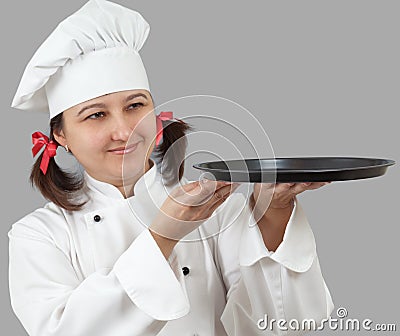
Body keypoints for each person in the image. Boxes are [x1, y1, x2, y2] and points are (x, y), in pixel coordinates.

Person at [8, 1, 333, 335]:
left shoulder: (218, 209)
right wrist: (163, 236)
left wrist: (273, 213)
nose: (124, 132)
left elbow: (286, 324)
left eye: (135, 106)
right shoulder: (39, 236)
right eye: (96, 114)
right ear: (61, 135)